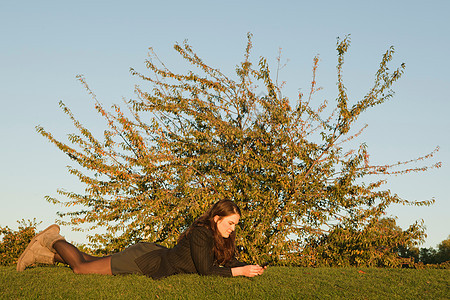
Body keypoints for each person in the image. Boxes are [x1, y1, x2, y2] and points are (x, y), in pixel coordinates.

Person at [16, 199, 266, 278]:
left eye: (236, 225)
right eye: (230, 223)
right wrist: (239, 273)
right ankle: (51, 238)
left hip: (150, 254)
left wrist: (248, 268)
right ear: (216, 219)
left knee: (90, 259)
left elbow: (226, 261)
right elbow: (205, 270)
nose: (233, 229)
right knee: (82, 268)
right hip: (144, 260)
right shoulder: (202, 233)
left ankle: (40, 255)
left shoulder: (219, 238)